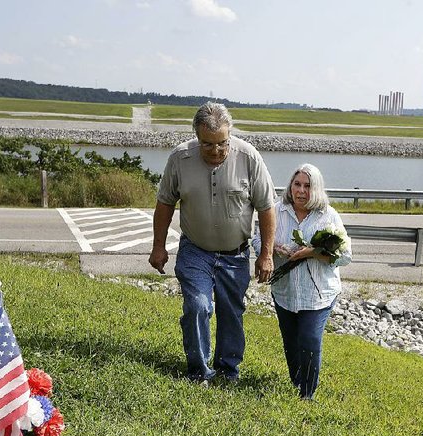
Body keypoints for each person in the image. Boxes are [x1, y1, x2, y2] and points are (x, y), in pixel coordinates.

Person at [149, 102, 276, 384]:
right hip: (196, 250)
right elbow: (165, 203)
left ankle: (228, 370)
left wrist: (265, 254)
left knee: (231, 313)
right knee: (198, 305)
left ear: (229, 135)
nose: (216, 151)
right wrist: (158, 246)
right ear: (196, 136)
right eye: (208, 144)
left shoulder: (249, 157)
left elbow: (267, 207)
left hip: (236, 254)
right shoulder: (180, 158)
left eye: (222, 143)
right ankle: (199, 371)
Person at [253, 163, 351, 400]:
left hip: (318, 294)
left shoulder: (328, 215)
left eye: (307, 186)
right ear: (290, 186)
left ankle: (307, 394)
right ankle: (298, 380)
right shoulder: (276, 210)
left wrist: (311, 252)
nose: (301, 191)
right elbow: (257, 241)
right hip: (284, 291)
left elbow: (345, 256)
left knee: (309, 339)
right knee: (291, 341)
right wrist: (272, 248)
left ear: (315, 189)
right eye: (297, 184)